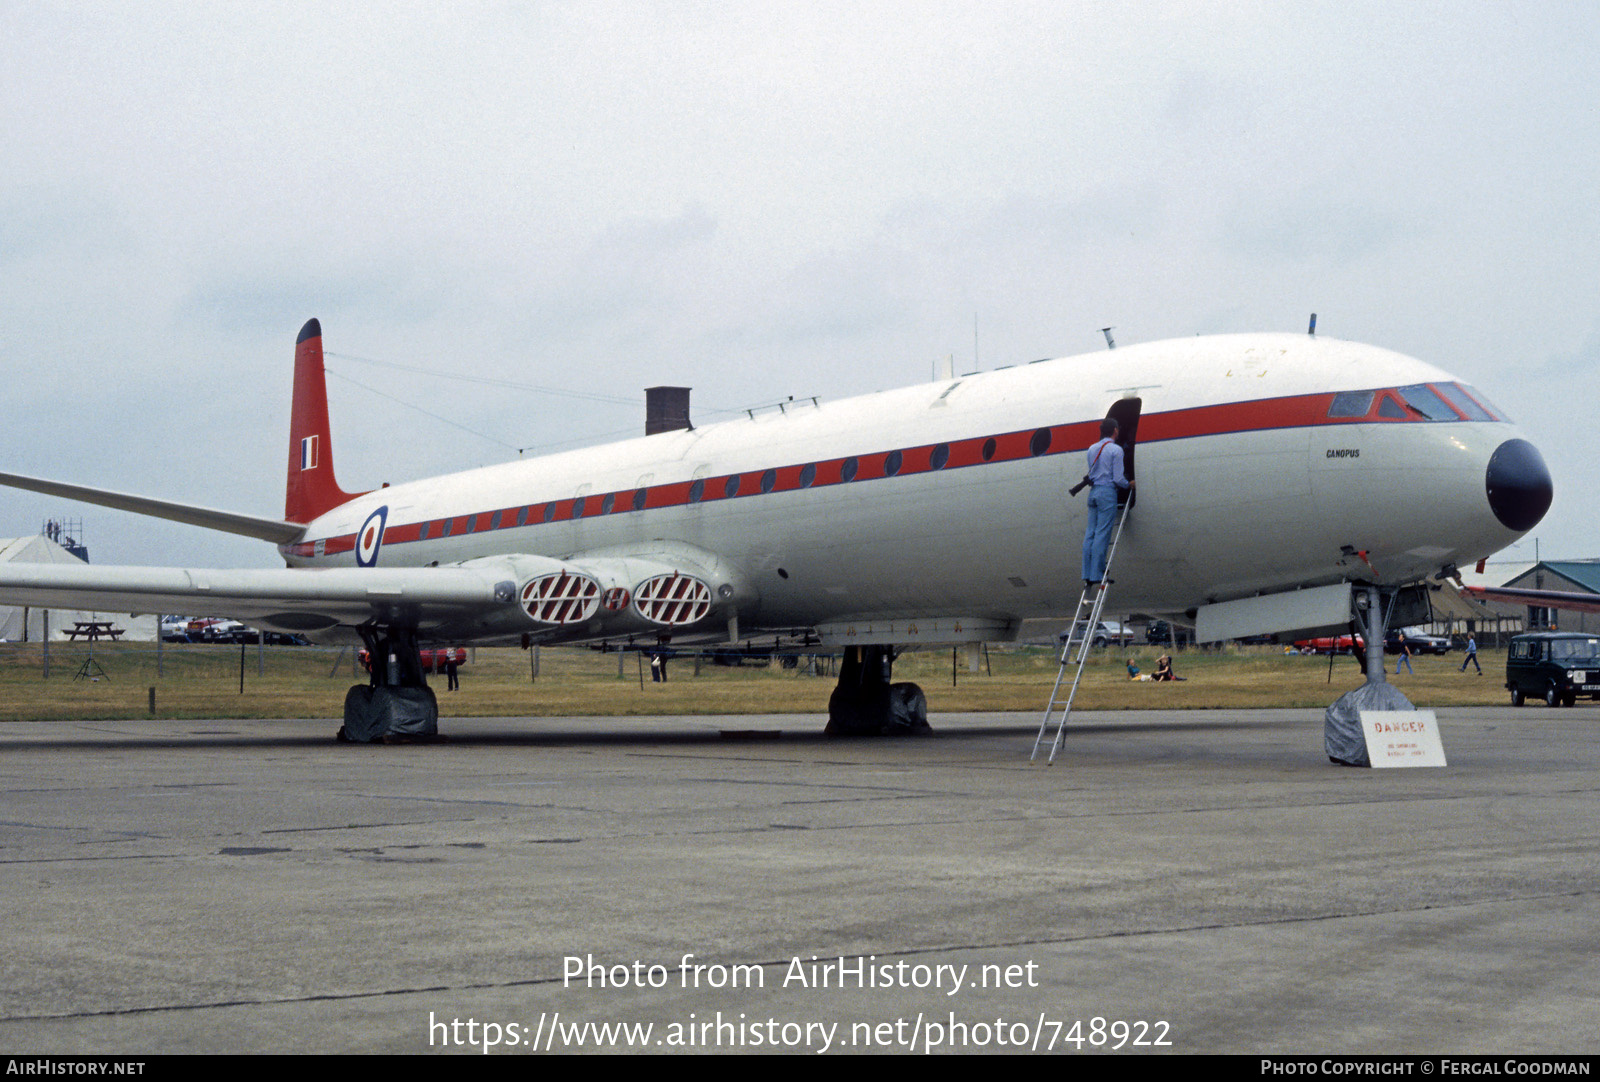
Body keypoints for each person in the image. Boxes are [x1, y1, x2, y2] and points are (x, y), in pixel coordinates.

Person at [1080, 419, 1132, 586]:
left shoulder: (1091, 449)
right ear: (1115, 431)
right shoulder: (1116, 450)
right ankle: (1098, 574)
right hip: (1107, 493)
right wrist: (1128, 484)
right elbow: (1118, 478)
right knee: (1102, 534)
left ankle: (1087, 573)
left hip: (1093, 493)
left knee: (1090, 534)